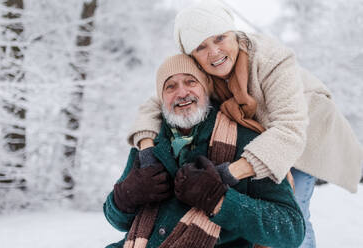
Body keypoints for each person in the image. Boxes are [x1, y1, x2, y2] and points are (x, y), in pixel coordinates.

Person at [127, 1, 363, 247]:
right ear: (192, 55)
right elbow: (157, 102)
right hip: (261, 139)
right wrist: (146, 151)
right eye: (201, 46)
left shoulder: (272, 59)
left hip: (304, 137)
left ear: (234, 34)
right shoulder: (200, 69)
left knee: (294, 213)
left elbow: (289, 130)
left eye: (220, 37)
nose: (214, 52)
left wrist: (227, 174)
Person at [103, 54, 305, 248]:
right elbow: (116, 220)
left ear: (206, 88)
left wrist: (219, 200)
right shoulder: (148, 146)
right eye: (170, 86)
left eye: (191, 82)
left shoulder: (246, 142)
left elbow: (291, 230)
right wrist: (125, 197)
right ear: (161, 98)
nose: (182, 93)